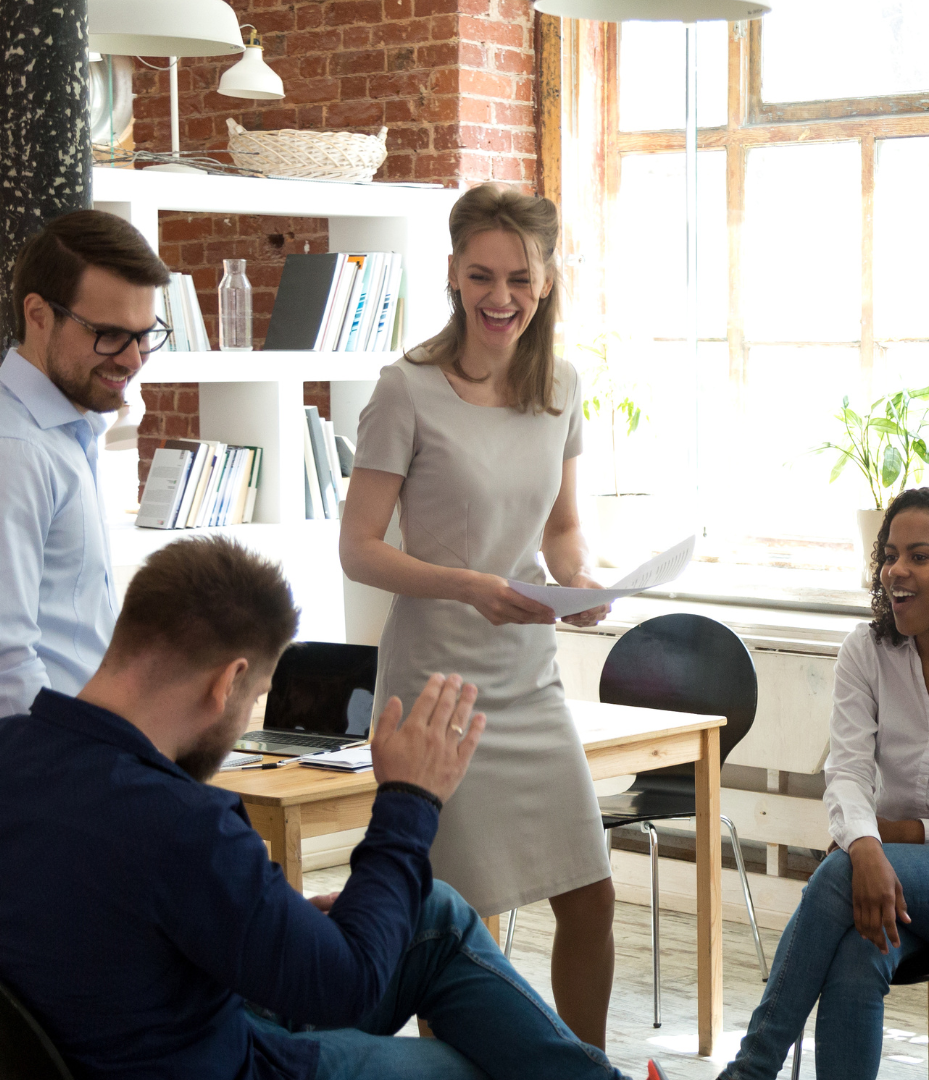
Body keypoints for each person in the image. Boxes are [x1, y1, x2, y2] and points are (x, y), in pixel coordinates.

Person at [0, 535, 666, 1080]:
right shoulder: (181, 824)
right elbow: (349, 982)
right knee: (473, 1067)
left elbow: (96, 913)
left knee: (431, 911)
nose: (246, 715)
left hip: (115, 1033)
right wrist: (409, 798)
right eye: (256, 697)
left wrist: (272, 915)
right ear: (227, 682)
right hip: (209, 1063)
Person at [341, 183, 619, 1047]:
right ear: (454, 275)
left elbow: (562, 530)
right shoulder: (407, 389)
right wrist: (469, 585)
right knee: (455, 918)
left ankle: (584, 1070)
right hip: (437, 689)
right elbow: (359, 549)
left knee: (591, 894)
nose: (501, 297)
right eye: (482, 276)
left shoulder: (561, 386)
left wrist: (582, 582)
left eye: (520, 279)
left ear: (547, 282)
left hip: (528, 680)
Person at [718, 488, 929, 1080]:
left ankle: (750, 1070)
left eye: (920, 556)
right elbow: (848, 770)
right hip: (891, 874)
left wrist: (891, 839)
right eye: (889, 555)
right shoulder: (867, 651)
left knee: (840, 872)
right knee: (860, 954)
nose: (896, 570)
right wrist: (868, 845)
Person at [0, 209, 171, 726]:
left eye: (145, 335)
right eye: (109, 334)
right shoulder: (4, 454)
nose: (133, 360)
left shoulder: (64, 435)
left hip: (80, 752)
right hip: (45, 766)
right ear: (38, 314)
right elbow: (1, 672)